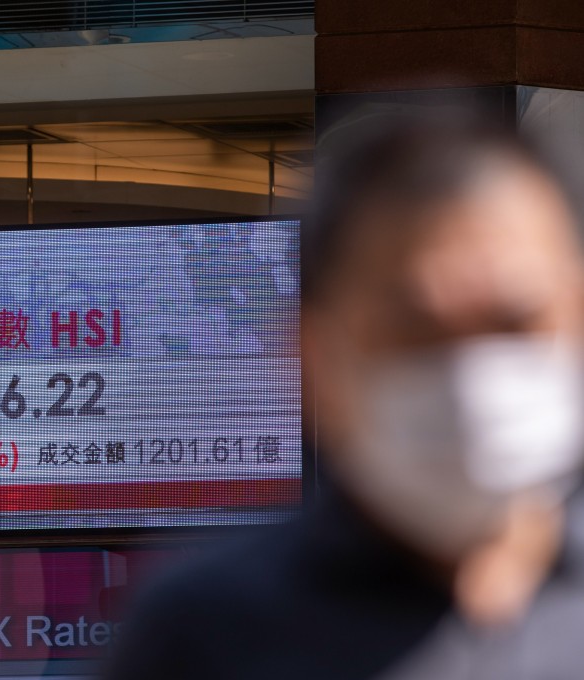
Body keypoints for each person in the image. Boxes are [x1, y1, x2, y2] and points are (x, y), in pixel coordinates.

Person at [108, 116, 584, 679]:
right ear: (313, 357)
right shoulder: (205, 634)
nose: (468, 378)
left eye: (514, 322)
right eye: (414, 329)